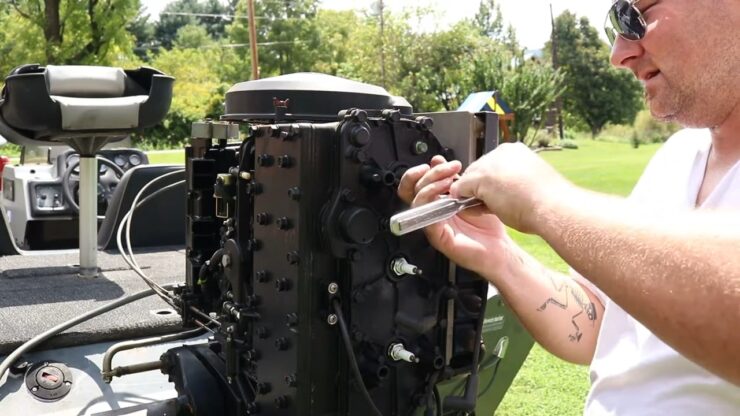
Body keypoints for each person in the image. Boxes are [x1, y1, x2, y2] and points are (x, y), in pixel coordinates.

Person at [398, 0, 740, 413]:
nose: (619, 55)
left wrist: (546, 201)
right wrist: (499, 255)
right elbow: (598, 322)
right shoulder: (680, 154)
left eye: (634, 17)